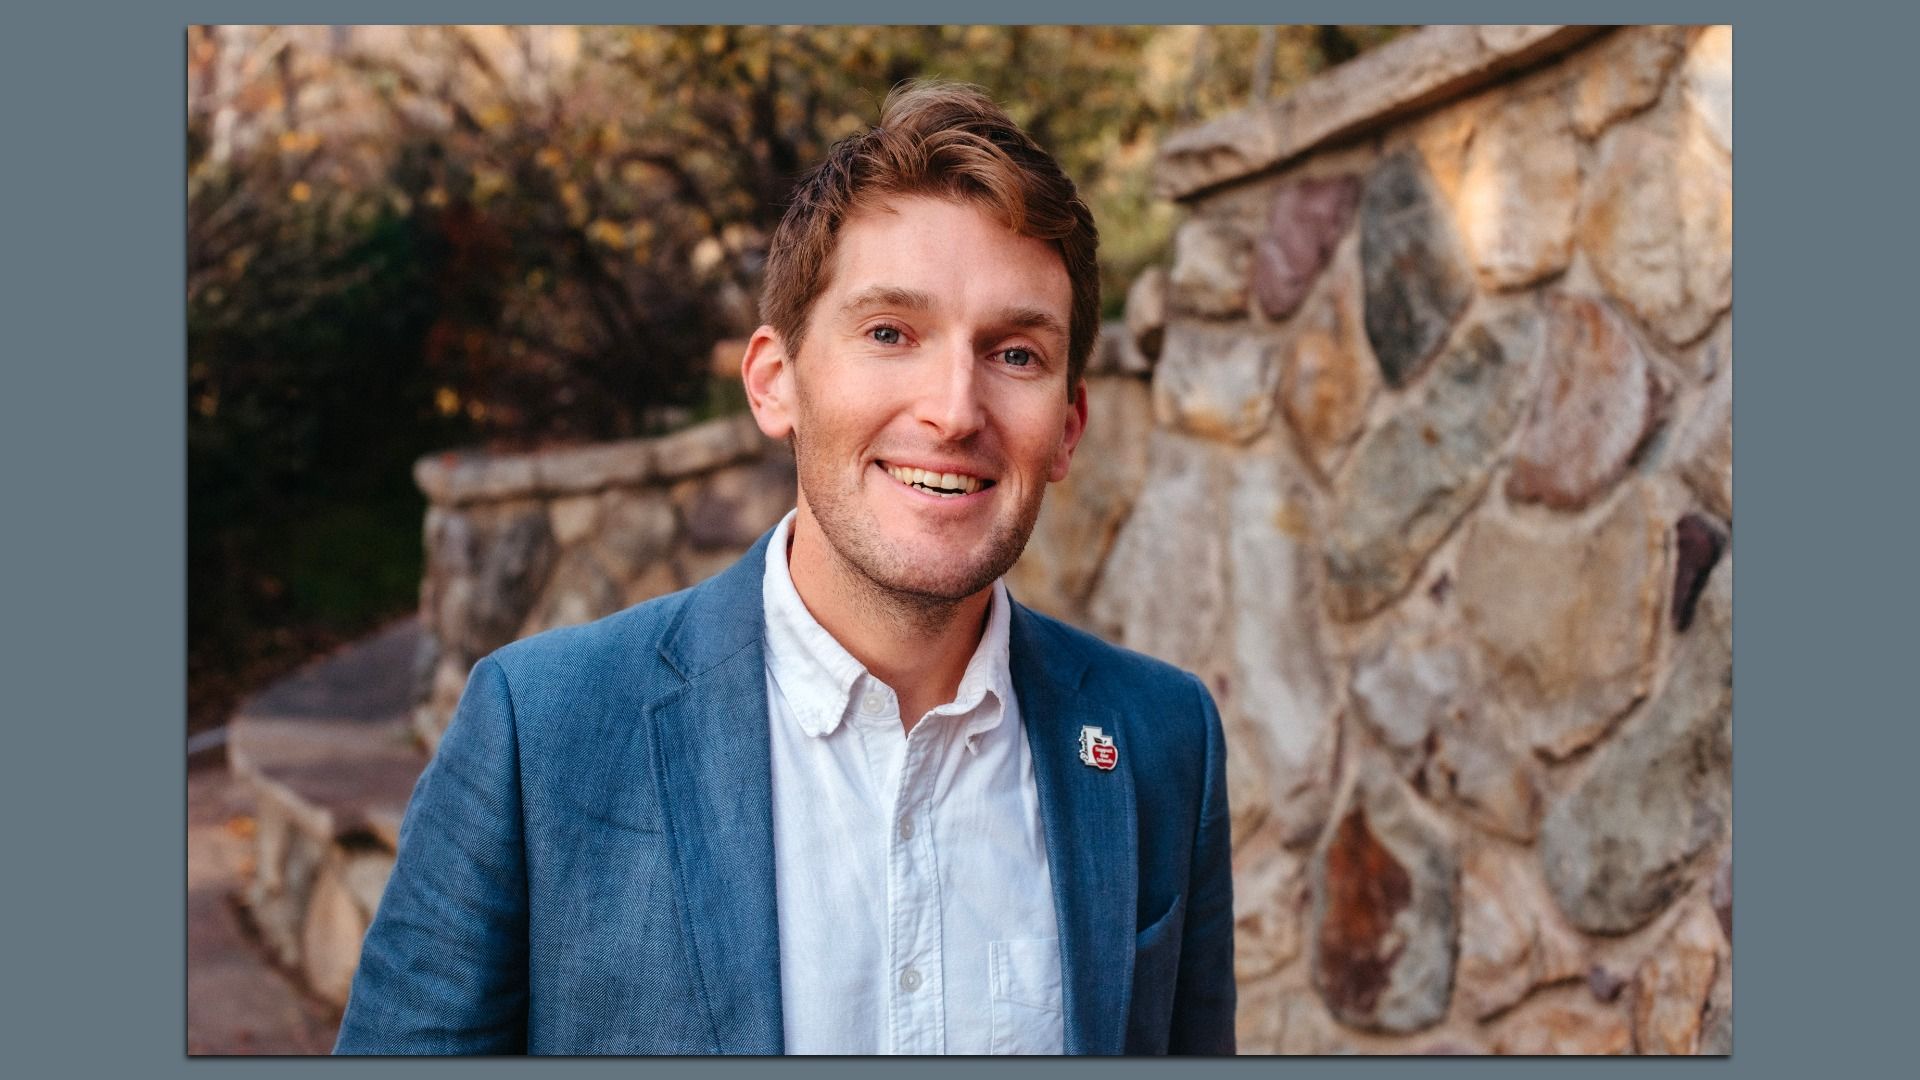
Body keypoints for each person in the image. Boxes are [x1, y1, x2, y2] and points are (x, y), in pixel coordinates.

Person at [335, 80, 1234, 1056]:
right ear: (774, 383)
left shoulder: (1159, 743)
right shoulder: (541, 731)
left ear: (1067, 427)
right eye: (891, 332)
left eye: (1015, 353)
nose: (954, 409)